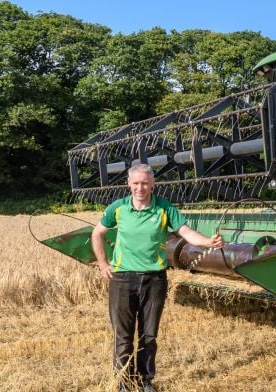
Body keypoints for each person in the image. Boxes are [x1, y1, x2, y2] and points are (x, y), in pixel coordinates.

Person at [91, 164, 223, 392]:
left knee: (148, 335)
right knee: (122, 337)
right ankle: (123, 382)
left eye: (144, 183)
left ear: (152, 184)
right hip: (122, 279)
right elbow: (97, 233)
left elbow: (186, 233)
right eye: (136, 183)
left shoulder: (164, 208)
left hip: (154, 280)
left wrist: (207, 242)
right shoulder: (118, 208)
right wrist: (103, 264)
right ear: (129, 185)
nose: (140, 188)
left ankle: (145, 381)